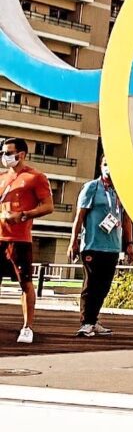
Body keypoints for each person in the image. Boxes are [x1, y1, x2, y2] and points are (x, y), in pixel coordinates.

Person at [68, 156, 133, 337]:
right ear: (101, 166)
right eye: (106, 165)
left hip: (112, 247)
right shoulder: (92, 188)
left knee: (104, 286)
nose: (109, 169)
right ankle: (86, 322)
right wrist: (73, 241)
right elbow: (79, 217)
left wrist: (129, 244)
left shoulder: (120, 191)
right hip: (92, 245)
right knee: (91, 283)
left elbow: (126, 219)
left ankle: (93, 320)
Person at [0, 136, 53, 344]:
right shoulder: (3, 177)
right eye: (3, 152)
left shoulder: (36, 177)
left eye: (8, 152)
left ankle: (27, 327)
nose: (4, 156)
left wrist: (23, 215)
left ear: (20, 154)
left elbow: (48, 206)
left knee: (25, 283)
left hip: (19, 239)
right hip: (0, 236)